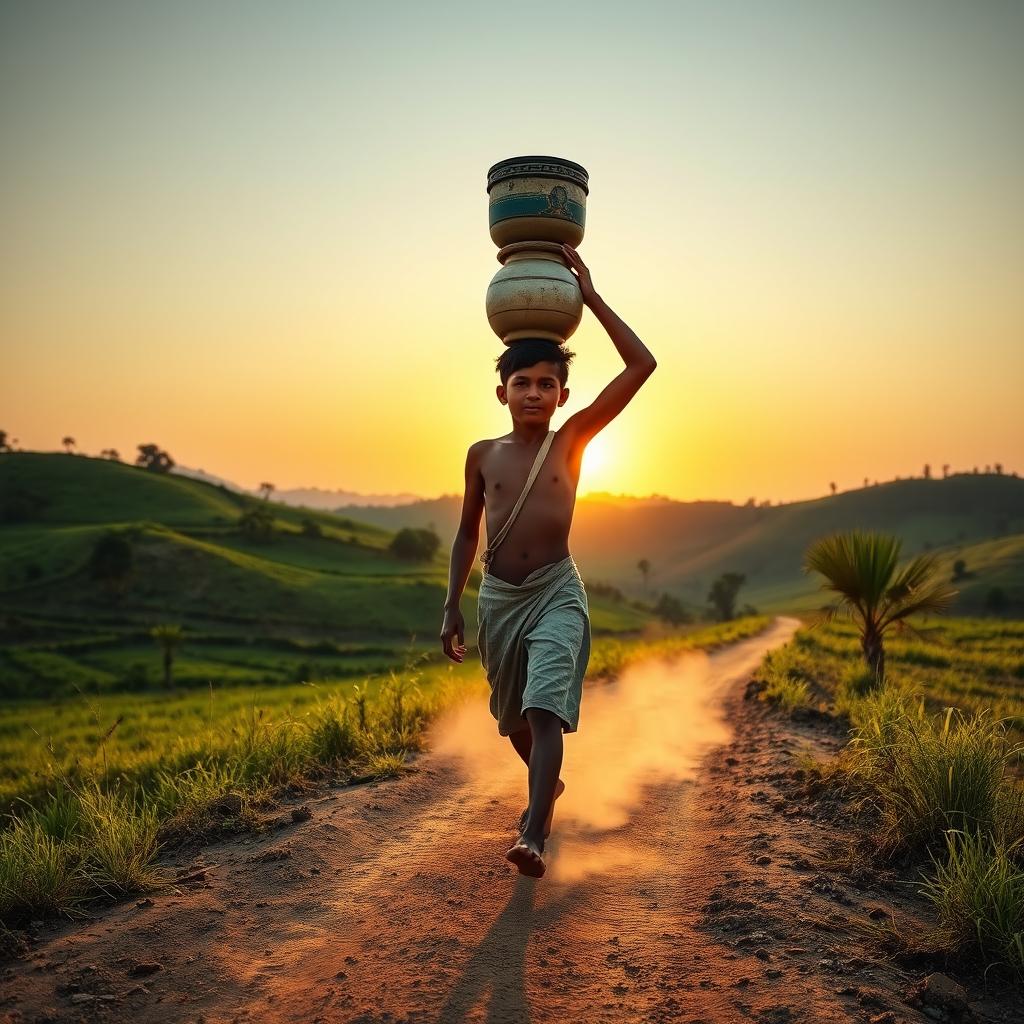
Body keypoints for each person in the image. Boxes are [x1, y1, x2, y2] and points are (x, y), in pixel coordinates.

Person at [440, 244, 657, 877]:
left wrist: (590, 296)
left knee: (543, 708)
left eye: (546, 384)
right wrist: (451, 605)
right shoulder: (482, 455)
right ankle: (547, 784)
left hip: (556, 592)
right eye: (522, 383)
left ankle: (534, 832)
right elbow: (466, 534)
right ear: (502, 392)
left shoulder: (572, 441)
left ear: (563, 396)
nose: (533, 393)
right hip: (499, 599)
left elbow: (642, 364)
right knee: (512, 720)